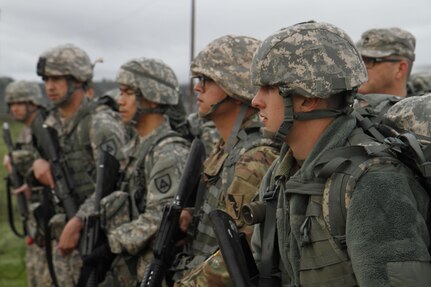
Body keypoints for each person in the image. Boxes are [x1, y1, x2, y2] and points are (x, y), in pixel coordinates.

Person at [250, 21, 431, 286]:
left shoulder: (372, 182)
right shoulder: (281, 174)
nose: (256, 100)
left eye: (268, 88)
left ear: (308, 98)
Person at [173, 35, 280, 286]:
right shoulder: (228, 146)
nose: (197, 88)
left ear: (236, 86)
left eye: (207, 80)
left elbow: (240, 250)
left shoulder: (254, 155)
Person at [32, 43, 126, 287]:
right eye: (46, 79)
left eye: (57, 79)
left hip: (97, 240)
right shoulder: (54, 122)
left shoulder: (100, 124)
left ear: (77, 81)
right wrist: (38, 162)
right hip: (66, 237)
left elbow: (114, 184)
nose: (49, 86)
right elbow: (41, 153)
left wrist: (79, 220)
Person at [98, 57, 191, 286]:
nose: (120, 101)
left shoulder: (168, 152)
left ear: (151, 97)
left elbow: (160, 217)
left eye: (128, 93)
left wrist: (110, 242)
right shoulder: (135, 146)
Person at [2, 80, 51, 287]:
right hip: (34, 216)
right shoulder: (25, 131)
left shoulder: (45, 127)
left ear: (33, 102)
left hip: (49, 214)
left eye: (20, 103)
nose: (15, 108)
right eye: (12, 104)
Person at [355, 27, 416, 117]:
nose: (358, 68)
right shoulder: (339, 109)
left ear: (400, 69)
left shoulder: (419, 119)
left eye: (368, 61)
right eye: (357, 60)